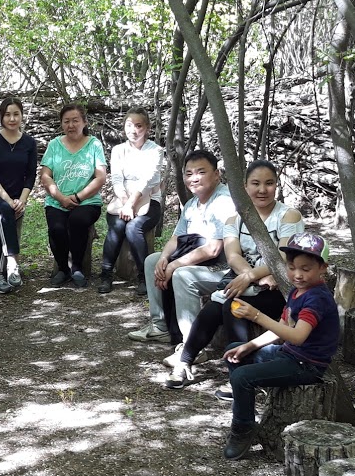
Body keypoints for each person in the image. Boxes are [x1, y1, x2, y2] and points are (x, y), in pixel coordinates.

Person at [165, 160, 304, 389]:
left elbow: (283, 257)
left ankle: (237, 375)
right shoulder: (236, 218)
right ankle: (186, 362)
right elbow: (233, 255)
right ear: (245, 186)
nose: (262, 190)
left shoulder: (288, 216)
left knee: (232, 305)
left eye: (269, 183)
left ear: (276, 185)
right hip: (246, 282)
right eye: (256, 183)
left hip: (278, 289)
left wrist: (249, 277)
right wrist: (250, 276)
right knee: (217, 306)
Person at [222, 233, 338, 460]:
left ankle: (243, 427)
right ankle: (246, 410)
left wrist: (256, 315)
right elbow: (283, 326)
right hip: (290, 354)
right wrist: (250, 346)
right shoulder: (297, 291)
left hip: (307, 365)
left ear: (323, 268)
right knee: (235, 351)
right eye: (292, 268)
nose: (297, 274)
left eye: (306, 269)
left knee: (242, 377)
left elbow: (297, 337)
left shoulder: (317, 299)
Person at [128, 150, 236, 346]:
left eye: (201, 172)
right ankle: (160, 326)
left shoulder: (224, 201)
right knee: (153, 261)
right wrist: (164, 259)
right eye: (189, 173)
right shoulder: (192, 204)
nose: (194, 178)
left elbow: (213, 249)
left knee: (181, 274)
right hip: (199, 261)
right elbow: (176, 238)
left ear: (216, 174)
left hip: (224, 268)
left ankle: (191, 344)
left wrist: (174, 265)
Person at [40, 103, 107, 288]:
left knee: (77, 221)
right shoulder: (54, 145)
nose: (71, 125)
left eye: (75, 120)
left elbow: (101, 177)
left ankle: (77, 267)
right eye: (66, 121)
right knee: (56, 228)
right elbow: (45, 175)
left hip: (87, 201)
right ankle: (63, 269)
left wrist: (78, 198)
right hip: (57, 200)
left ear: (84, 122)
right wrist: (61, 198)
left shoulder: (94, 144)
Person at [99, 107, 164, 295]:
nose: (133, 130)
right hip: (122, 200)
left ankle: (144, 277)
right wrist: (124, 201)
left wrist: (131, 204)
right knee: (118, 225)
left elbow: (149, 179)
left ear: (147, 128)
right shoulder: (118, 150)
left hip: (149, 200)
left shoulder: (155, 151)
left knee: (134, 227)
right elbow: (116, 178)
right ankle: (106, 274)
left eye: (138, 126)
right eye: (129, 125)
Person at [0, 96, 37, 294]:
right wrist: (8, 200)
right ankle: (12, 263)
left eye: (16, 114)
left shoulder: (29, 142)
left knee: (0, 221)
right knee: (3, 210)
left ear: (22, 116)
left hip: (16, 200)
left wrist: (22, 200)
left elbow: (30, 175)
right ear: (1, 117)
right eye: (7, 115)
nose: (12, 119)